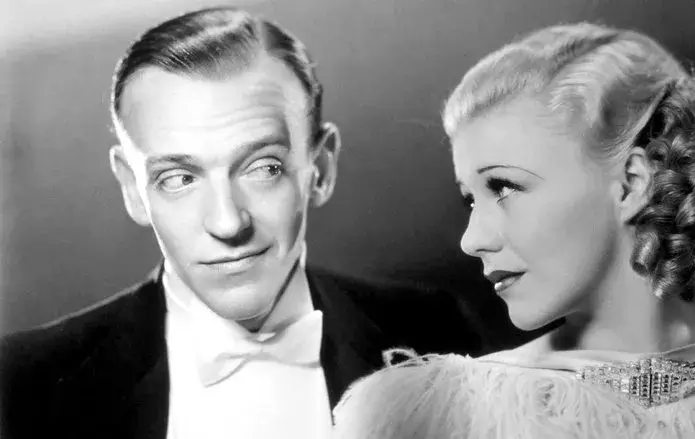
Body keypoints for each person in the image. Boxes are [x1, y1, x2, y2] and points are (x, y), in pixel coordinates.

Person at [0, 7, 502, 439]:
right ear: (132, 188)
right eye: (179, 179)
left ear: (321, 168)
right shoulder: (21, 382)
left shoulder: (437, 333)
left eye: (263, 168)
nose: (227, 222)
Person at [333, 22, 695, 438]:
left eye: (504, 187)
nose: (471, 241)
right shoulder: (438, 415)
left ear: (629, 185)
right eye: (471, 199)